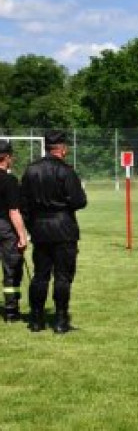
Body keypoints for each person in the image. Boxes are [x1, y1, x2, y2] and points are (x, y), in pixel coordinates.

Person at [20, 130, 88, 334]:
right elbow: (79, 201)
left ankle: (36, 319)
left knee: (40, 275)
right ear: (63, 148)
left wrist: (32, 226)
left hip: (40, 229)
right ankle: (60, 320)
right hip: (64, 228)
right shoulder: (66, 171)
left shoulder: (31, 171)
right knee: (62, 276)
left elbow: (24, 205)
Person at [0, 141, 28, 322]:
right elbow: (14, 211)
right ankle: (11, 312)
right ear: (6, 157)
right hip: (5, 228)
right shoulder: (9, 180)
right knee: (12, 269)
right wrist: (22, 235)